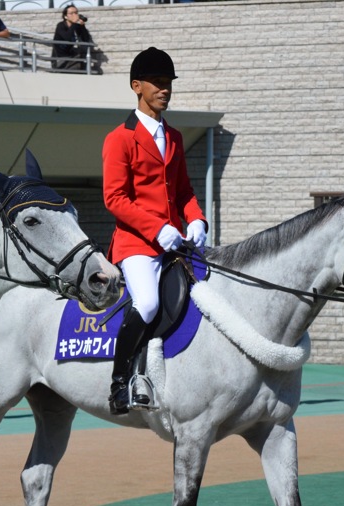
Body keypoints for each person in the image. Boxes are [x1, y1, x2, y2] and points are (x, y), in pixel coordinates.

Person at [101, 47, 207, 415]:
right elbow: (114, 198)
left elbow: (183, 192)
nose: (165, 89)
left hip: (174, 241)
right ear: (137, 86)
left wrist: (196, 219)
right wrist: (157, 229)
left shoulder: (174, 137)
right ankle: (119, 383)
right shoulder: (120, 138)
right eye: (158, 83)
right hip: (136, 243)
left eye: (168, 84)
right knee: (146, 303)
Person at [51, 4, 93, 73]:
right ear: (65, 16)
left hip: (72, 57)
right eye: (71, 13)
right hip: (60, 59)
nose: (74, 15)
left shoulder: (76, 26)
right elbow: (67, 37)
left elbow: (85, 39)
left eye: (76, 13)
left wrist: (82, 26)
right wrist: (74, 23)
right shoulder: (60, 26)